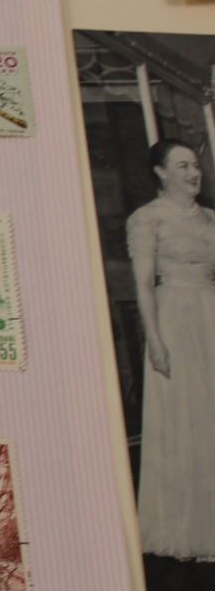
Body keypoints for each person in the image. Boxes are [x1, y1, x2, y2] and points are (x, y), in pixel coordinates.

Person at [127, 138, 215, 562]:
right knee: (188, 414)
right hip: (175, 319)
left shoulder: (211, 218)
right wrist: (156, 340)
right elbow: (144, 284)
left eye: (195, 165)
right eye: (182, 166)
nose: (193, 173)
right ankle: (189, 525)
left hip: (210, 313)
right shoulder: (147, 219)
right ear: (160, 173)